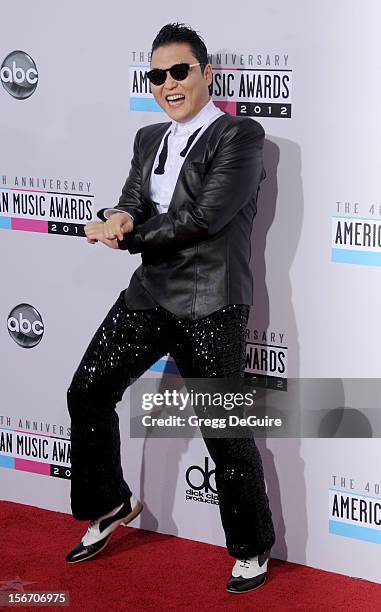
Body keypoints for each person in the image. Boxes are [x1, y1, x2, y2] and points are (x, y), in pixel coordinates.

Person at [65, 22, 276, 594]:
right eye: (156, 75)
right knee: (86, 390)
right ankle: (109, 502)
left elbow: (203, 220)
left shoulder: (239, 135)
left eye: (179, 71)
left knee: (224, 430)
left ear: (207, 73)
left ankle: (252, 548)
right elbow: (135, 198)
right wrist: (118, 218)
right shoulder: (147, 137)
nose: (167, 84)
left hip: (210, 301)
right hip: (151, 292)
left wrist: (127, 237)